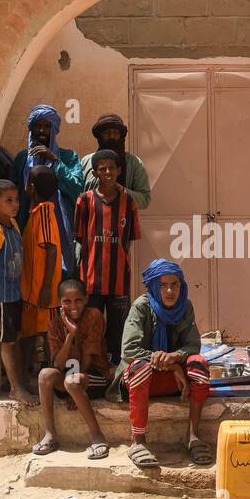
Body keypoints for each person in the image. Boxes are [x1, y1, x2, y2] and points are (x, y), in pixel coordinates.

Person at [112, 259, 211, 468]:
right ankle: (138, 441)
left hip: (174, 383)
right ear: (153, 287)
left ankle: (193, 435)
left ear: (181, 286)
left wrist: (175, 357)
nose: (169, 290)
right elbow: (129, 350)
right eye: (163, 285)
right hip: (142, 381)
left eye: (174, 284)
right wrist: (173, 365)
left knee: (199, 364)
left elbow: (193, 345)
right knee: (140, 367)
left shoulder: (186, 306)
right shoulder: (141, 306)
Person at [72, 148, 141, 366]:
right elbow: (81, 241)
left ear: (119, 170)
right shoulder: (84, 201)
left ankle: (115, 374)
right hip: (91, 281)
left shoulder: (128, 203)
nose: (108, 172)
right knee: (90, 330)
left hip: (119, 281)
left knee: (118, 332)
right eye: (103, 169)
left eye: (112, 168)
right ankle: (90, 372)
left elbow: (128, 241)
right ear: (95, 173)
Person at [33, 279, 113, 459]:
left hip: (94, 378)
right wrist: (71, 335)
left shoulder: (94, 315)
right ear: (60, 303)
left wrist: (74, 389)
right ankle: (50, 434)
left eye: (78, 300)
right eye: (67, 302)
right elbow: (58, 365)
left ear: (86, 299)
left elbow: (89, 356)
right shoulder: (54, 324)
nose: (73, 306)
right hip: (69, 380)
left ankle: (98, 436)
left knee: (72, 380)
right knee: (45, 374)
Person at [4, 105, 83, 277]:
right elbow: (12, 195)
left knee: (61, 274)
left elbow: (76, 188)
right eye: (37, 126)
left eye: (47, 126)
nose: (42, 131)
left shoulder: (68, 157)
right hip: (28, 226)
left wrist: (55, 161)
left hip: (59, 226)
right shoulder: (22, 159)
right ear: (31, 129)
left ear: (54, 129)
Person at [0, 179, 33, 404]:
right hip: (1, 297)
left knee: (16, 339)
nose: (15, 205)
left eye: (16, 200)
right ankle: (14, 388)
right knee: (7, 343)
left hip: (15, 294)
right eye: (8, 200)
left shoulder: (13, 225)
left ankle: (19, 381)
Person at [20, 165, 64, 372]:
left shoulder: (45, 212)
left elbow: (52, 250)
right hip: (31, 290)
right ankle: (29, 374)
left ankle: (51, 377)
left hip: (42, 291)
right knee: (29, 334)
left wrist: (47, 287)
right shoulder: (35, 212)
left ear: (31, 186)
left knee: (48, 337)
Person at [79, 114, 151, 210]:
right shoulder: (86, 162)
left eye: (115, 133)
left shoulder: (134, 163)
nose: (111, 137)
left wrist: (119, 189)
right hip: (92, 222)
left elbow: (144, 200)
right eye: (107, 133)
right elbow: (77, 197)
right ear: (100, 136)